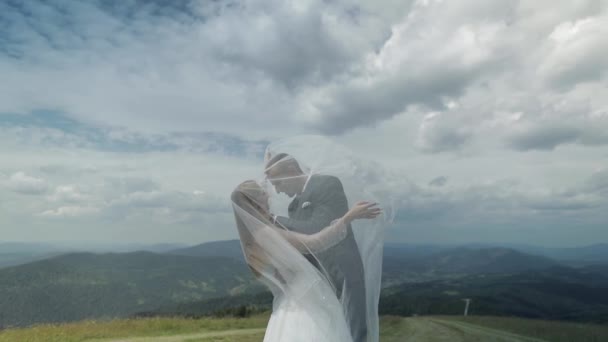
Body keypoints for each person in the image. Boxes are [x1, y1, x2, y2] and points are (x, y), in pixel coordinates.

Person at [231, 180, 381, 342]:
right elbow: (314, 243)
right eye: (261, 193)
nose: (267, 195)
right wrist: (348, 217)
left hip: (293, 300)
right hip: (306, 303)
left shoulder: (253, 238)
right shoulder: (265, 233)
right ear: (254, 202)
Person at [263, 153, 370, 342]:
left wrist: (273, 220)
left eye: (278, 183)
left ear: (291, 170)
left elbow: (319, 228)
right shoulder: (293, 206)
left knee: (353, 331)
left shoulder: (327, 184)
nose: (278, 191)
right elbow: (303, 244)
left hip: (342, 273)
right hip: (317, 281)